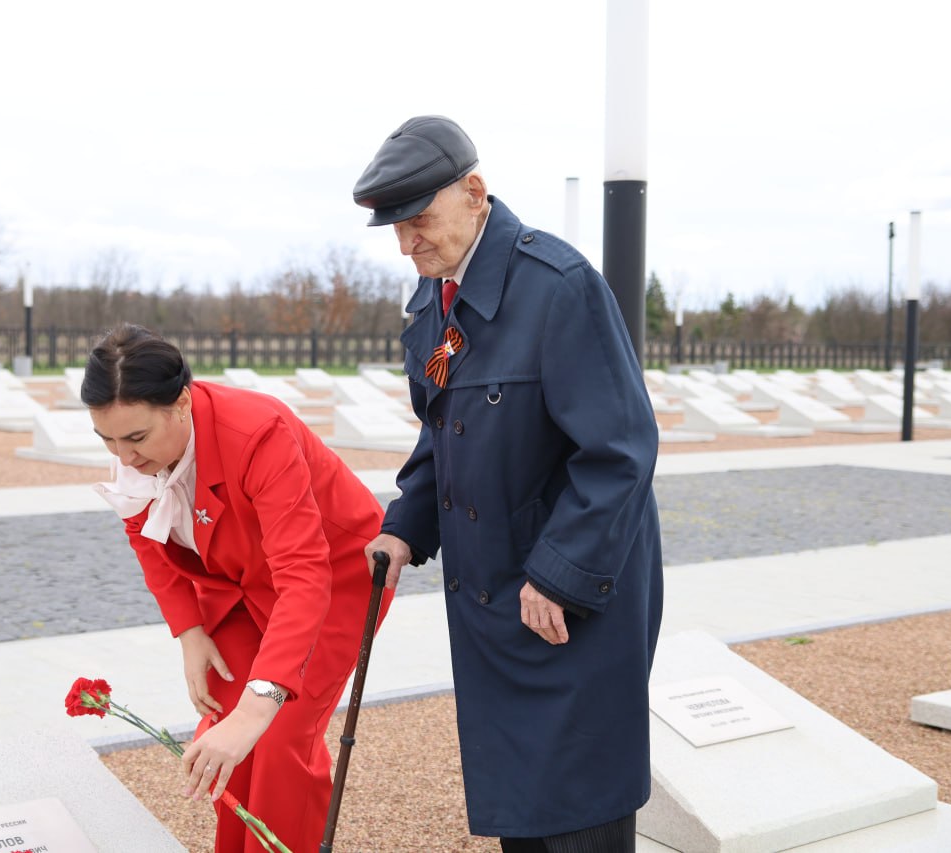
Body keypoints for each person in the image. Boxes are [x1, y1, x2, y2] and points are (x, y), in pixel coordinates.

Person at [354, 115, 663, 852]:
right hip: (492, 597)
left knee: (580, 809)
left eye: (418, 219)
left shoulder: (558, 287)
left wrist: (557, 575)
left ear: (475, 192)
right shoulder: (433, 303)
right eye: (394, 228)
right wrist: (404, 526)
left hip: (569, 599)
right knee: (522, 812)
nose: (406, 244)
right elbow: (444, 432)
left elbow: (620, 447)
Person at [83, 324, 392, 853]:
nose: (124, 458)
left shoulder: (257, 432)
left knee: (277, 737)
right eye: (106, 439)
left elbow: (303, 574)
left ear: (181, 402)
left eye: (135, 438)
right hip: (241, 581)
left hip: (334, 576)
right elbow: (144, 536)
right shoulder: (133, 447)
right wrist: (190, 631)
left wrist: (258, 707)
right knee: (226, 727)